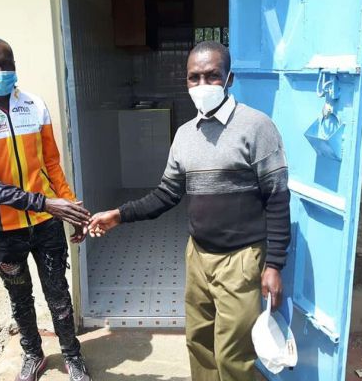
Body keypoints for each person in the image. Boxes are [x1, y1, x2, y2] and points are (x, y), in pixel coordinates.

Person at [89, 41, 291, 381]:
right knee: (199, 343)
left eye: (212, 76)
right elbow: (166, 194)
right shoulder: (184, 135)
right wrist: (119, 215)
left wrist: (274, 264)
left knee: (233, 355)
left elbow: (277, 197)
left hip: (241, 260)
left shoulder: (257, 127)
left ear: (229, 79)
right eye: (194, 77)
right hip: (197, 256)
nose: (202, 85)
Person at [0, 37, 91, 381]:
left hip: (46, 224)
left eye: (6, 63)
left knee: (58, 294)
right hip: (3, 230)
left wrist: (71, 209)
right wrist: (46, 202)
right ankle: (33, 354)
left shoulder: (34, 106)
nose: (0, 71)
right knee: (20, 297)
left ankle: (72, 356)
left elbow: (51, 165)